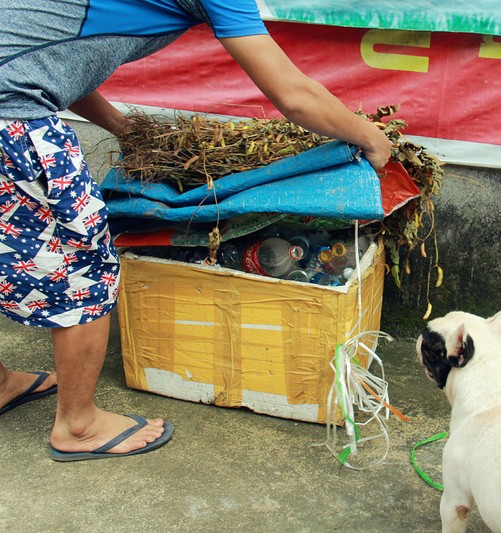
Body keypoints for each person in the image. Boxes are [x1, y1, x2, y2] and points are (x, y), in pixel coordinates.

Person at [0, 0, 391, 461]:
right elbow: (293, 95)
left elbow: (52, 58)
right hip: (11, 116)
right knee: (80, 261)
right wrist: (370, 137)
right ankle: (78, 425)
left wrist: (122, 127)